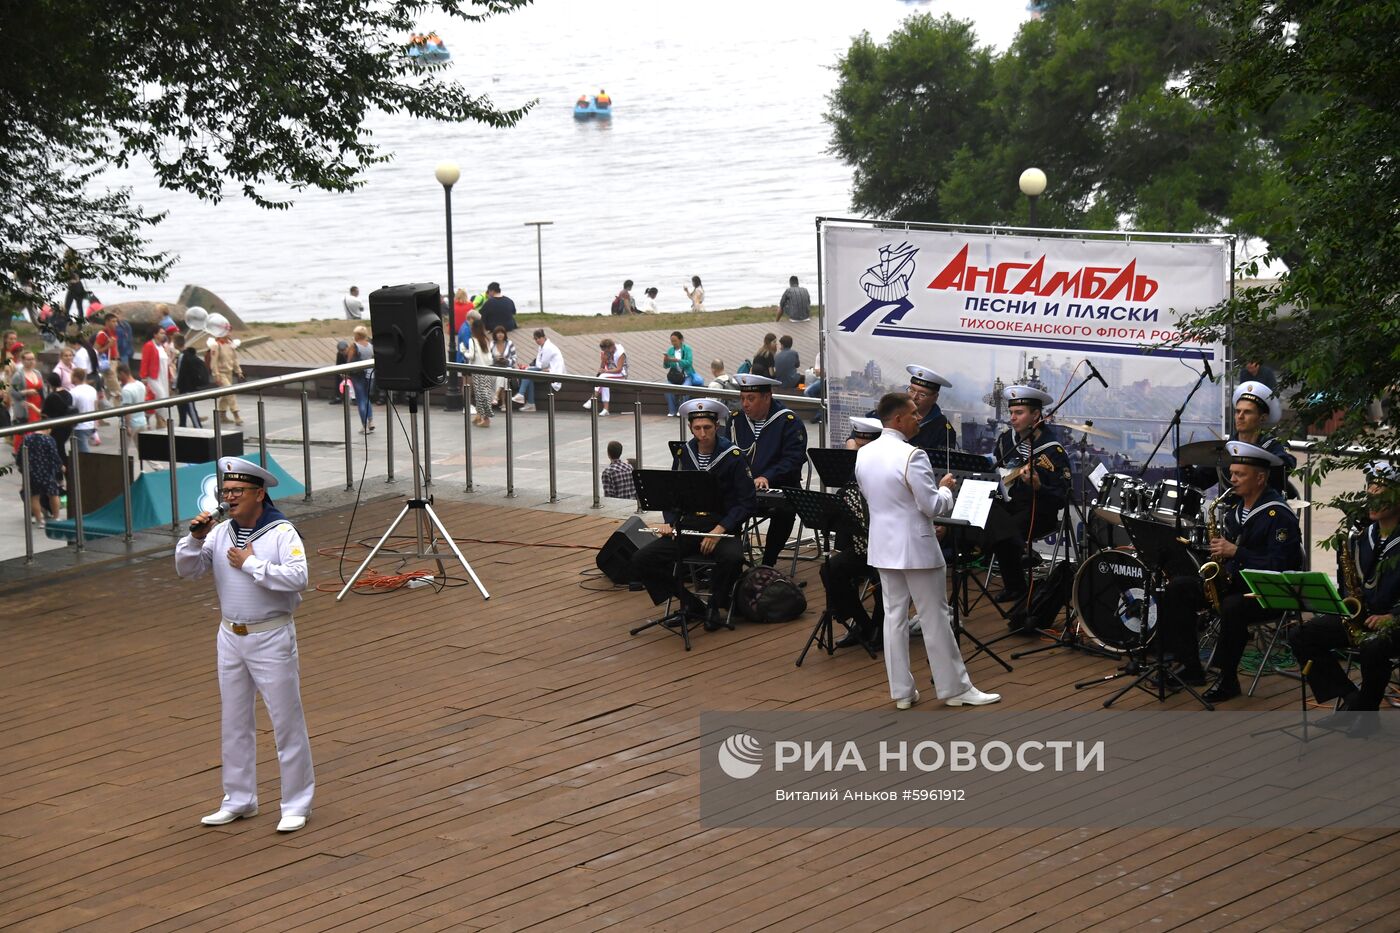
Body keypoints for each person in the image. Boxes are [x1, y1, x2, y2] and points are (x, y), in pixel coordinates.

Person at [177, 456, 315, 833]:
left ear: (259, 494)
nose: (229, 497)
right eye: (226, 491)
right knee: (234, 721)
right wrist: (194, 538)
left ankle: (297, 803)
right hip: (230, 636)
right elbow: (188, 570)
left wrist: (253, 565)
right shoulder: (220, 532)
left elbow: (298, 578)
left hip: (270, 635)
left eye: (237, 491)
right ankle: (239, 799)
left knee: (286, 721)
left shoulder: (281, 532)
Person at [856, 393, 1001, 710]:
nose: (918, 417)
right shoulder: (912, 455)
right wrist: (947, 488)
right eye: (912, 413)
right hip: (917, 545)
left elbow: (877, 501)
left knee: (894, 617)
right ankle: (955, 689)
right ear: (897, 420)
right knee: (934, 617)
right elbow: (932, 505)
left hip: (883, 546)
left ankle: (903, 693)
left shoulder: (864, 455)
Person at [1158, 441, 1303, 700]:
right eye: (1232, 473)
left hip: (1267, 592)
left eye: (1239, 475)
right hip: (1235, 584)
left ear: (1260, 478)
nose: (1232, 479)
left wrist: (1237, 553)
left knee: (1233, 607)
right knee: (1178, 588)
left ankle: (1228, 679)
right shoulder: (1236, 511)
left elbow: (1282, 565)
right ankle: (1190, 666)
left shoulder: (1278, 515)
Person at [1287, 465, 1399, 734]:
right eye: (1369, 492)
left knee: (1373, 647)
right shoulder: (1360, 537)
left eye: (1381, 493)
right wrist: (1344, 602)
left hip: (1393, 621)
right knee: (1301, 633)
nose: (1372, 499)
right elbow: (1347, 586)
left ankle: (1366, 714)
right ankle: (1350, 697)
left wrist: (1393, 617)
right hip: (1362, 615)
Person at [631, 398, 756, 631]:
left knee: (732, 558)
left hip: (722, 526)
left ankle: (715, 605)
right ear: (690, 428)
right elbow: (671, 493)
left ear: (716, 426)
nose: (702, 434)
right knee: (643, 559)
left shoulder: (733, 455)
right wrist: (670, 523)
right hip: (689, 524)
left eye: (707, 428)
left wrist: (719, 530)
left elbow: (747, 501)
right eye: (697, 428)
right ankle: (690, 603)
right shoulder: (684, 453)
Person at [984, 385, 1072, 614]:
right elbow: (998, 472)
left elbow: (1063, 495)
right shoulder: (1005, 440)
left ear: (1036, 415)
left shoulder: (1053, 451)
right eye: (1011, 413)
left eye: (1019, 413)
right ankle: (1020, 564)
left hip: (1039, 510)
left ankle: (1017, 585)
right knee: (986, 516)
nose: (1013, 418)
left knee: (1005, 530)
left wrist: (1039, 486)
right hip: (1009, 504)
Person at [729, 373, 807, 568]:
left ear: (767, 397)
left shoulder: (788, 421)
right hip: (743, 488)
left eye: (751, 398)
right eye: (742, 398)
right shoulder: (736, 420)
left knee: (784, 511)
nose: (745, 404)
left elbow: (794, 459)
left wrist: (767, 477)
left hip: (778, 486)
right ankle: (730, 561)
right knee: (720, 504)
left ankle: (768, 563)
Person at [824, 417, 885, 650]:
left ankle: (881, 630)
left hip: (890, 547)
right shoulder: (853, 474)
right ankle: (863, 625)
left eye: (865, 448)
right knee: (831, 569)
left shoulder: (891, 469)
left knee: (883, 579)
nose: (861, 453)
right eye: (858, 447)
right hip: (862, 547)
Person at [512, 329, 565, 412]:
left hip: (554, 373)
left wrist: (536, 368)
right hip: (547, 370)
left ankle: (521, 394)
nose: (537, 340)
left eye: (539, 338)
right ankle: (530, 404)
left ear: (544, 337)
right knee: (528, 374)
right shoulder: (542, 347)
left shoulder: (548, 347)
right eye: (535, 339)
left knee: (528, 373)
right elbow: (539, 363)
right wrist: (535, 368)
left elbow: (543, 364)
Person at [21, 426, 64, 526]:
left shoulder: (27, 439)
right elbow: (54, 455)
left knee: (34, 497)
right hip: (47, 472)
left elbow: (20, 456)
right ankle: (56, 517)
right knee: (53, 495)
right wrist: (60, 466)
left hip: (32, 472)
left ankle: (40, 520)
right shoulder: (49, 440)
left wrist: (23, 469)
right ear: (48, 429)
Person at [10, 349, 44, 455]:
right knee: (24, 432)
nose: (31, 361)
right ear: (23, 360)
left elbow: (42, 390)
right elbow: (13, 392)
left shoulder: (37, 373)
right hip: (25, 407)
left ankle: (34, 451)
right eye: (28, 359)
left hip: (37, 406)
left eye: (33, 359)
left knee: (37, 430)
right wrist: (25, 392)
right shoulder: (18, 375)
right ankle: (19, 453)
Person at [462, 318, 495, 428]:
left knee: (480, 394)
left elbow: (471, 356)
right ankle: (480, 415)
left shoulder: (472, 340)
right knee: (484, 392)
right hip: (486, 369)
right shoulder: (485, 339)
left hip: (477, 370)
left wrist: (463, 351)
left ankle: (485, 418)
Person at [583, 337, 627, 416]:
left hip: (621, 374)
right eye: (604, 351)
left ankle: (592, 399)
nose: (605, 352)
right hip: (609, 374)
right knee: (604, 382)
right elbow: (602, 367)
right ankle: (606, 409)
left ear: (611, 347)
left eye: (606, 350)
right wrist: (603, 360)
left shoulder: (620, 353)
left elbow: (619, 369)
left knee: (603, 378)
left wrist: (605, 372)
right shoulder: (605, 352)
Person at [174, 333, 209, 428]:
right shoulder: (190, 355)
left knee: (190, 409)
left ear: (176, 344)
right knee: (183, 409)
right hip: (189, 387)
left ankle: (198, 428)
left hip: (185, 388)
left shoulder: (182, 356)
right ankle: (182, 427)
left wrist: (174, 387)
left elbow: (179, 373)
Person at [140, 327, 173, 429]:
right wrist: (144, 377)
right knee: (160, 396)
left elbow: (166, 364)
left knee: (163, 398)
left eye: (164, 333)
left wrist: (170, 376)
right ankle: (153, 417)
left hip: (163, 377)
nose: (164, 335)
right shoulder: (149, 345)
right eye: (161, 333)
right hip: (153, 377)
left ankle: (159, 420)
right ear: (155, 334)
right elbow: (145, 361)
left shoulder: (162, 347)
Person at [344, 326, 375, 434]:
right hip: (370, 374)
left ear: (357, 335)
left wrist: (346, 373)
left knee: (361, 400)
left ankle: (364, 425)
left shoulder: (355, 346)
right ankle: (371, 422)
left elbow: (349, 361)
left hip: (358, 376)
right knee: (366, 398)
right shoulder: (370, 346)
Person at [209, 333, 244, 425]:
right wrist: (216, 374)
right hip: (221, 373)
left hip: (229, 372)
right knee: (230, 392)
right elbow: (213, 361)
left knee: (225, 395)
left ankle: (222, 415)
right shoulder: (216, 345)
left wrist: (238, 371)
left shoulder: (230, 344)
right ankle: (236, 415)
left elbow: (234, 359)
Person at [662, 331, 698, 416]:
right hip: (675, 376)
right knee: (667, 388)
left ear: (681, 340)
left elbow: (689, 362)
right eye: (672, 341)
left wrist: (678, 360)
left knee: (685, 388)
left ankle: (682, 410)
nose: (673, 343)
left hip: (686, 375)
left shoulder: (687, 349)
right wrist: (666, 360)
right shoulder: (670, 350)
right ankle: (672, 411)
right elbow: (666, 366)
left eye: (675, 341)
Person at [68, 367, 98, 453]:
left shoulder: (73, 392)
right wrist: (96, 423)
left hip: (79, 426)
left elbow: (71, 409)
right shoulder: (92, 389)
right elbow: (95, 407)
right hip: (91, 424)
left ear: (76, 378)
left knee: (83, 452)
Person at [488, 325, 518, 410]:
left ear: (504, 334)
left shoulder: (509, 343)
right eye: (498, 333)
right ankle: (503, 404)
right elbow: (488, 357)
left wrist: (507, 361)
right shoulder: (492, 344)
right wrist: (495, 359)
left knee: (503, 374)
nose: (500, 335)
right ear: (495, 335)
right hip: (495, 366)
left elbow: (514, 358)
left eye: (502, 333)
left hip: (507, 366)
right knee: (502, 376)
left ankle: (496, 397)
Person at [117, 364, 149, 434]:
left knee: (124, 445)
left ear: (122, 373)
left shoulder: (126, 390)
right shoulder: (141, 385)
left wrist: (128, 426)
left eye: (118, 375)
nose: (118, 378)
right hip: (142, 422)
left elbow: (127, 410)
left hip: (132, 424)